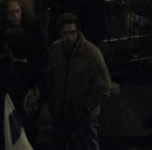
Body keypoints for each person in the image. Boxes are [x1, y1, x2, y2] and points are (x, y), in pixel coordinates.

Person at [43, 12, 113, 148]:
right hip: (61, 113)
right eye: (65, 33)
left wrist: (86, 107)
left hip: (84, 116)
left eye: (72, 32)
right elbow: (50, 76)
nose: (69, 37)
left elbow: (103, 86)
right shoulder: (56, 49)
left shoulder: (91, 52)